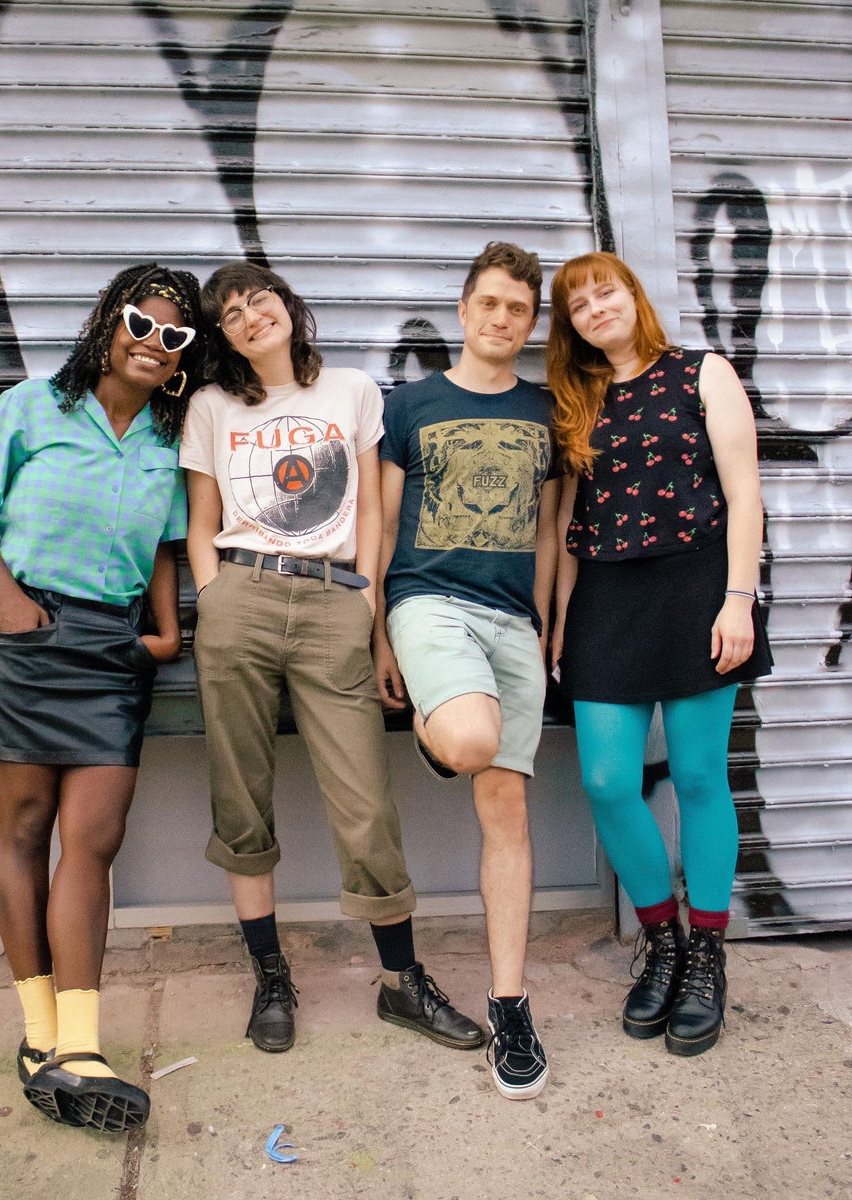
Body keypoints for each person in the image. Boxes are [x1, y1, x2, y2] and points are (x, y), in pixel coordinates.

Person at [180, 262, 483, 1058]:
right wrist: (213, 598)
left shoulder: (351, 390)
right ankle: (271, 974)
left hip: (333, 602)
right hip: (240, 597)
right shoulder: (213, 406)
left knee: (364, 800)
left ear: (287, 305)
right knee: (240, 792)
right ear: (222, 337)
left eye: (259, 300)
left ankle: (401, 981)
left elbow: (378, 513)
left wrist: (367, 606)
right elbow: (200, 520)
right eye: (232, 314)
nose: (250, 317)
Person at [0, 263, 204, 1131]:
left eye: (175, 336)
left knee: (92, 838)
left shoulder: (170, 440)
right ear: (109, 320)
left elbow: (168, 549)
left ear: (181, 358)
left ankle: (80, 1044)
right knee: (23, 832)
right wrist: (12, 602)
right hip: (22, 637)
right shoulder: (31, 406)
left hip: (109, 651)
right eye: (143, 322)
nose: (153, 342)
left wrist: (165, 634)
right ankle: (41, 1035)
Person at [547, 251, 773, 1057]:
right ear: (569, 325)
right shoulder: (577, 400)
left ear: (633, 297)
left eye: (605, 292)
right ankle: (663, 940)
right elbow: (572, 517)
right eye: (578, 303)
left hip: (698, 591)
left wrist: (739, 599)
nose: (595, 308)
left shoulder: (703, 372)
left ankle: (707, 955)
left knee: (702, 777)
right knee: (607, 781)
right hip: (607, 599)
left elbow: (745, 491)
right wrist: (562, 617)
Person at [373, 242, 560, 1100]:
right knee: (473, 739)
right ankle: (439, 735)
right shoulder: (408, 406)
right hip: (429, 602)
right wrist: (380, 636)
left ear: (530, 322)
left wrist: (548, 626)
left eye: (517, 309)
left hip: (513, 620)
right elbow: (380, 529)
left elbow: (551, 530)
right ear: (464, 309)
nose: (500, 320)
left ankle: (510, 1001)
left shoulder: (548, 410)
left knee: (507, 807)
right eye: (488, 303)